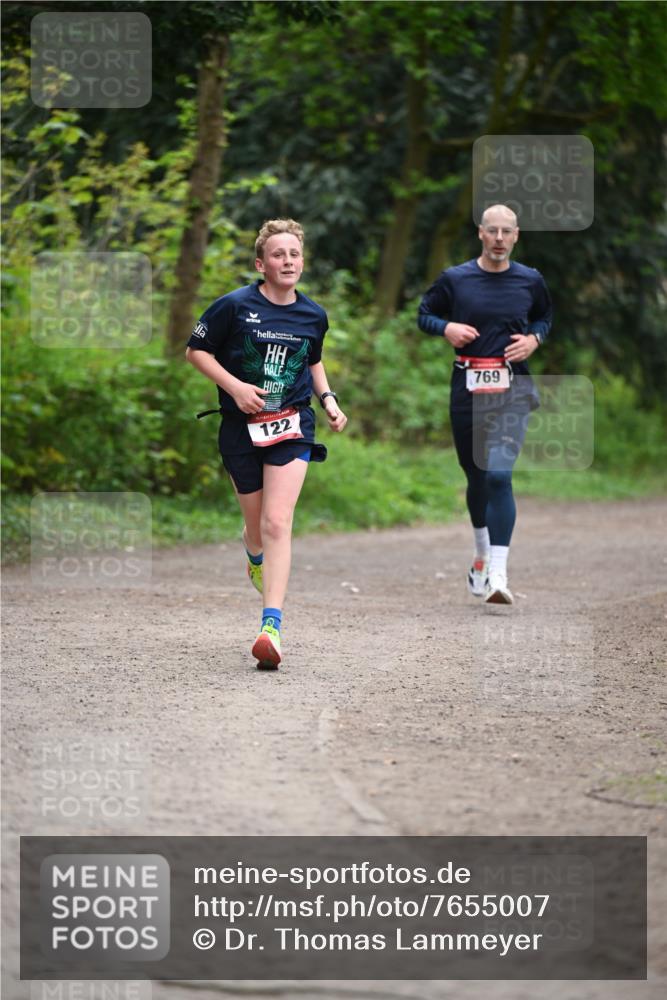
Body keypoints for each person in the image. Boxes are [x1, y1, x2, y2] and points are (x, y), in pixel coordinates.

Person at [186, 219, 347, 667]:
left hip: (292, 423)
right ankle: (253, 554)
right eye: (278, 254)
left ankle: (270, 627)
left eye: (294, 254)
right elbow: (195, 352)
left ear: (302, 262)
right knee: (257, 527)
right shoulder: (233, 307)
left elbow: (313, 360)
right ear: (262, 263)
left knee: (279, 523)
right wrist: (236, 387)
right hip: (241, 427)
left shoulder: (313, 314)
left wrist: (329, 399)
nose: (288, 261)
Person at [417, 204, 552, 604]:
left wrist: (535, 340)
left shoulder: (530, 280)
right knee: (476, 479)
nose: (498, 238)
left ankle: (498, 574)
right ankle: (480, 554)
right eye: (491, 230)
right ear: (480, 233)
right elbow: (424, 314)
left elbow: (544, 316)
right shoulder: (456, 279)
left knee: (498, 475)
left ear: (516, 235)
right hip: (468, 389)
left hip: (513, 389)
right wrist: (446, 327)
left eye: (505, 231)